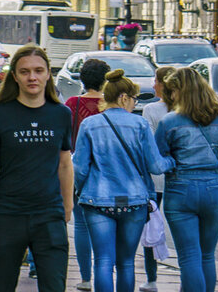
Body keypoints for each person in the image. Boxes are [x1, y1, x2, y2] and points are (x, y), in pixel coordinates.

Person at [0, 44, 74, 292]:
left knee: (54, 286)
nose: (32, 77)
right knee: (1, 286)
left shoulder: (61, 114)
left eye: (38, 70)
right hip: (9, 216)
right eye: (25, 71)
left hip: (49, 216)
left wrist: (66, 209)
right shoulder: (0, 115)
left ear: (49, 73)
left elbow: (65, 164)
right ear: (14, 76)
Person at [73, 70, 174, 292]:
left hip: (98, 200)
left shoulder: (90, 125)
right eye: (134, 99)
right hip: (134, 200)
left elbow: (79, 168)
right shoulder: (139, 125)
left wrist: (82, 190)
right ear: (124, 97)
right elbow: (155, 166)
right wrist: (172, 162)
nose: (134, 104)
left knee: (103, 261)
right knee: (126, 263)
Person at [155, 68, 218, 292]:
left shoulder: (169, 122)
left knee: (189, 257)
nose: (171, 97)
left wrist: (172, 163)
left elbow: (157, 161)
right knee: (207, 255)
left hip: (180, 189)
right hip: (215, 191)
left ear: (181, 92)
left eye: (173, 91)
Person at [65, 57, 109, 292]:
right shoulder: (111, 104)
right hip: (108, 172)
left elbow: (65, 137)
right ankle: (105, 272)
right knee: (106, 224)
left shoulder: (73, 103)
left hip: (79, 168)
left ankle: (85, 278)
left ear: (82, 79)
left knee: (81, 225)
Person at [140, 66, 176, 292]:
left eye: (155, 80)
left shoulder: (151, 109)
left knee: (151, 227)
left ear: (164, 84)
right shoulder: (187, 109)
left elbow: (149, 145)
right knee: (184, 231)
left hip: (156, 178)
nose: (153, 85)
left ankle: (151, 279)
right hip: (180, 179)